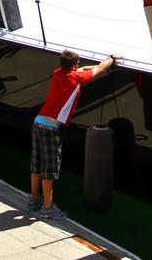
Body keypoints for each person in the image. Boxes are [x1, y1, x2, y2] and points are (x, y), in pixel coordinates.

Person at [28, 50, 121, 219]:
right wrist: (112, 59)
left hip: (37, 123)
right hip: (50, 129)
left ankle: (33, 199)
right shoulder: (76, 79)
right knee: (49, 169)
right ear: (73, 65)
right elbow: (98, 69)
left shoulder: (58, 73)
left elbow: (83, 69)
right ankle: (47, 207)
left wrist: (95, 65)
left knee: (37, 163)